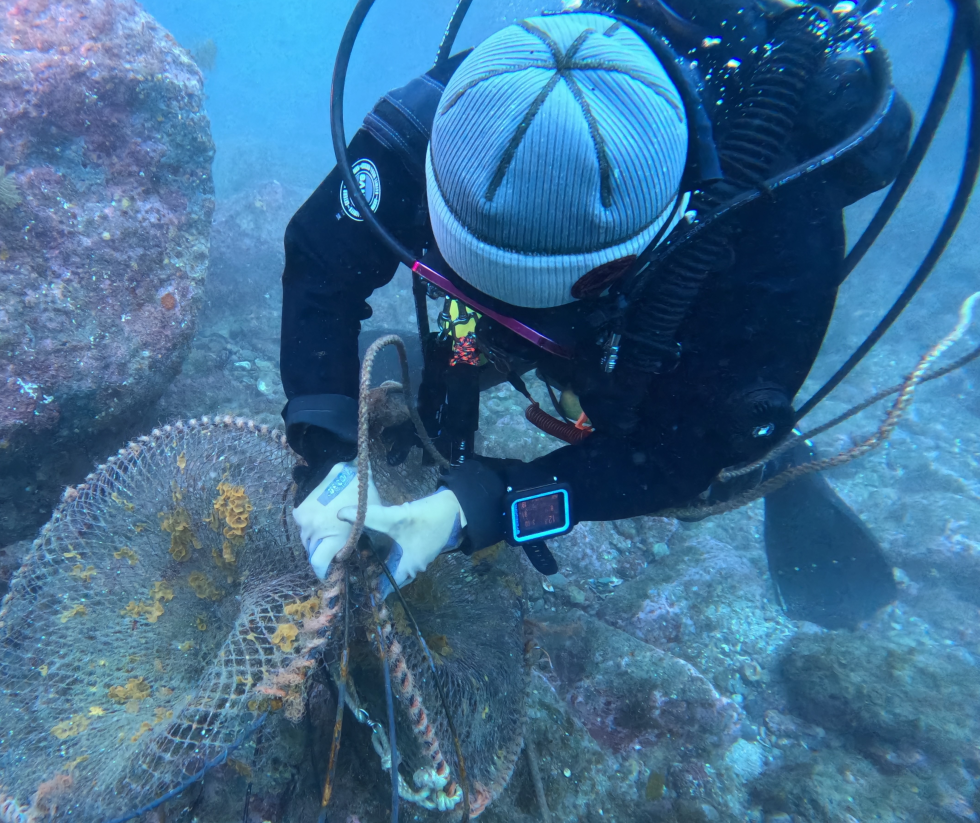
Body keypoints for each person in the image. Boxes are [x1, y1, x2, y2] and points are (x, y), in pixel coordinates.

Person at [284, 0, 912, 593]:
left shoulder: (776, 237)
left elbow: (672, 463)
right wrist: (324, 440)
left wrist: (488, 507)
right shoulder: (478, 103)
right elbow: (321, 259)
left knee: (695, 438)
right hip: (564, 299)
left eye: (530, 305)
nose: (492, 309)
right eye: (460, 268)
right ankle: (468, 353)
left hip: (655, 336)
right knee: (457, 339)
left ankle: (774, 466)